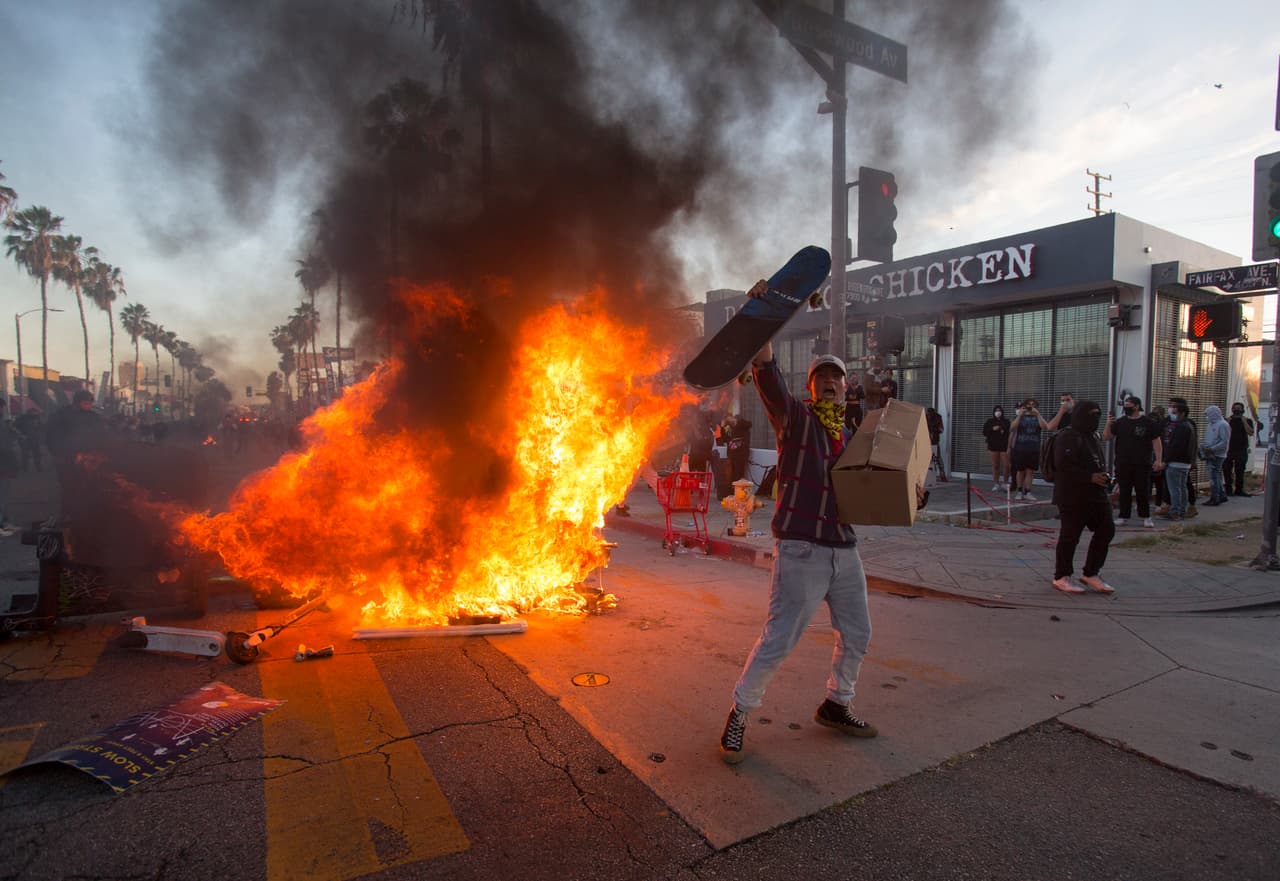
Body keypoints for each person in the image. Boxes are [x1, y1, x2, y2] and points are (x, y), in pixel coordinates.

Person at [719, 284, 876, 765]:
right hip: (802, 549)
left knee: (858, 633)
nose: (829, 382)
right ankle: (740, 713)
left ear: (846, 388)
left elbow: (871, 491)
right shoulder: (796, 420)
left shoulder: (851, 436)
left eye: (836, 377)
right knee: (779, 639)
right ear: (810, 387)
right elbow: (766, 372)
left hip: (844, 548)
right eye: (821, 376)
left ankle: (836, 704)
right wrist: (767, 311)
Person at [1051, 400, 1116, 594]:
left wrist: (1103, 478)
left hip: (1096, 494)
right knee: (1070, 536)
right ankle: (1061, 576)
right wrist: (1089, 477)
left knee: (1106, 529)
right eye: (1091, 415)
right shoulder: (1067, 436)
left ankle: (1091, 573)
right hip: (1072, 496)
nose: (1095, 419)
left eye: (1098, 414)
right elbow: (1063, 467)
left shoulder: (1092, 436)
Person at [1103, 395, 1161, 528]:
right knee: (1124, 491)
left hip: (1142, 463)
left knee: (1142, 491)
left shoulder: (1148, 422)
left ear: (1136, 406)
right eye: (1124, 406)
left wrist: (1158, 460)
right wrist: (1108, 423)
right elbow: (1107, 437)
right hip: (1123, 463)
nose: (1125, 408)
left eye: (1128, 405)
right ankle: (1123, 516)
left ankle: (1146, 516)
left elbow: (1156, 441)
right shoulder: (1120, 422)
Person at [1156, 398, 1195, 521]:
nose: (1172, 414)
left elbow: (1175, 446)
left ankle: (1175, 512)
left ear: (1182, 413)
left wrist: (1165, 461)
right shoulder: (1188, 425)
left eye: (1175, 411)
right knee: (1182, 488)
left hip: (1176, 463)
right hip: (1185, 463)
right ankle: (1181, 511)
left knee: (1175, 489)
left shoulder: (1181, 427)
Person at [1007, 398, 1050, 501]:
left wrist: (1038, 414)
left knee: (1030, 471)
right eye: (1029, 405)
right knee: (1020, 471)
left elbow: (1046, 427)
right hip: (1020, 448)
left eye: (1033, 405)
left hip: (1033, 448)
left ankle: (1028, 492)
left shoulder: (1038, 416)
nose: (1031, 407)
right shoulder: (1020, 416)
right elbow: (1012, 428)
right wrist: (1020, 415)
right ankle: (1019, 491)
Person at [1200, 405, 1230, 506]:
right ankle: (1221, 494)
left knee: (1213, 476)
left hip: (1217, 454)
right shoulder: (1211, 424)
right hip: (1209, 452)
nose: (1207, 417)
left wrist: (1212, 448)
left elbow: (1224, 442)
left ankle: (1215, 497)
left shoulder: (1223, 425)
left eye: (1208, 414)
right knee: (1215, 475)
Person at [1223, 402, 1254, 497]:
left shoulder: (1247, 420)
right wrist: (1227, 422)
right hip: (1228, 449)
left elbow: (1250, 432)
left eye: (1239, 408)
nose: (1237, 410)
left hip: (1241, 449)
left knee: (1240, 470)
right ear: (1232, 409)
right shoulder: (1227, 420)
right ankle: (1228, 489)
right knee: (1227, 470)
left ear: (1242, 410)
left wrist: (1244, 421)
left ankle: (1239, 489)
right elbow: (1223, 432)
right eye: (1235, 408)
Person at [0, 400, 20, 534]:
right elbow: (5, 447)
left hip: (4, 463)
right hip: (3, 464)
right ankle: (3, 524)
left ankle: (4, 522)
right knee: (3, 495)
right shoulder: (2, 424)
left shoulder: (4, 423)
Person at [981, 405, 1011, 492]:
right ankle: (996, 484)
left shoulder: (1006, 421)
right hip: (993, 446)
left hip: (1004, 446)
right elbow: (984, 432)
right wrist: (992, 429)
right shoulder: (990, 421)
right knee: (995, 466)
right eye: (996, 410)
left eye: (999, 410)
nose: (998, 412)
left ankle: (1005, 483)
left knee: (1006, 465)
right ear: (994, 412)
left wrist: (1002, 429)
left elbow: (1009, 432)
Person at [720, 413, 753, 484]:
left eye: (728, 419)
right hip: (732, 455)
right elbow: (725, 439)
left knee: (739, 475)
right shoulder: (730, 429)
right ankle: (733, 489)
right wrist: (722, 427)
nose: (728, 422)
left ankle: (739, 489)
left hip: (740, 455)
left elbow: (749, 424)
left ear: (731, 417)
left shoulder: (741, 425)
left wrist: (736, 421)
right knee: (732, 477)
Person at [925, 407, 948, 482]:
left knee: (938, 458)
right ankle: (926, 475)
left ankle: (942, 475)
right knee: (925, 458)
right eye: (928, 414)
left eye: (930, 414)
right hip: (926, 441)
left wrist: (934, 430)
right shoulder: (925, 417)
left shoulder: (938, 417)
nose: (929, 416)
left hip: (935, 441)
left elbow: (941, 429)